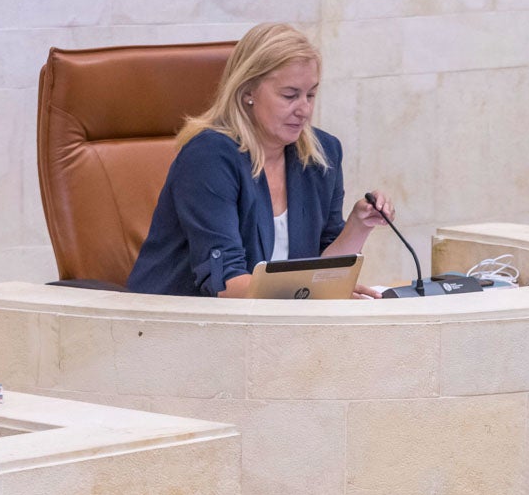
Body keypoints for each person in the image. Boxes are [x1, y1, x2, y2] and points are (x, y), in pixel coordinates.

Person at [127, 22, 392, 298]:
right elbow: (226, 284)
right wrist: (312, 295)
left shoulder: (322, 156)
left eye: (311, 94)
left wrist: (360, 225)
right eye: (290, 95)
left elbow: (325, 270)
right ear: (248, 92)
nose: (304, 110)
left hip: (273, 326)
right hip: (176, 324)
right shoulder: (209, 157)